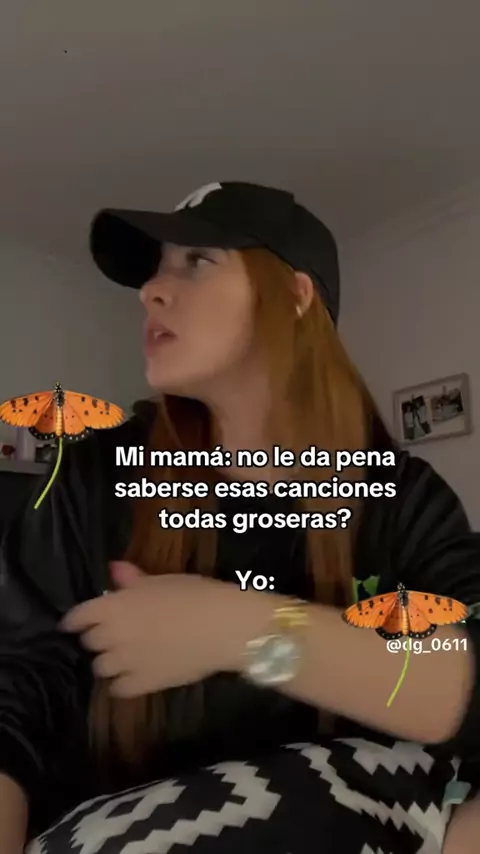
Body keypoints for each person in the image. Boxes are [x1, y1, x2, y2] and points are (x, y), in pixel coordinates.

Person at [0, 181, 479, 854]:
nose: (151, 291)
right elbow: (14, 701)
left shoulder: (397, 496)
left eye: (198, 262)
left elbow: (466, 675)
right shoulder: (91, 476)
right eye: (157, 268)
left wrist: (243, 631)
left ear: (297, 295)